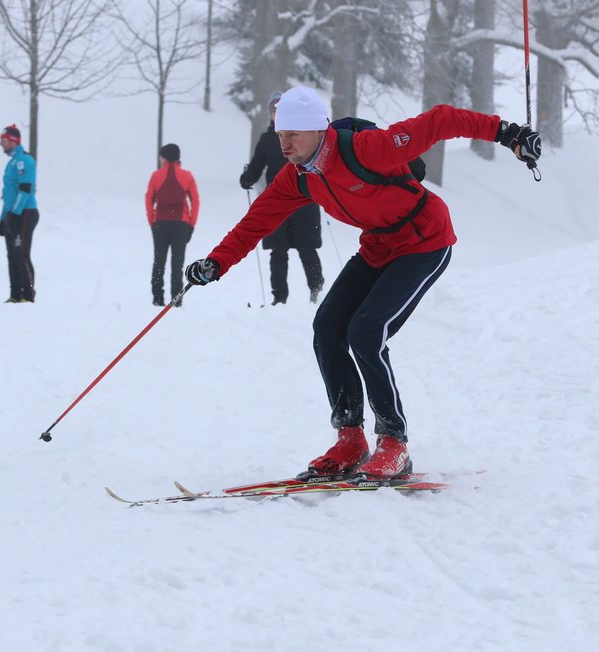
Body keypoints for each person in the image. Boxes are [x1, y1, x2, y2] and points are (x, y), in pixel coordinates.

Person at [185, 87, 541, 478]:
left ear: (319, 130)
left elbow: (441, 120)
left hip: (425, 242)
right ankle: (350, 438)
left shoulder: (368, 149)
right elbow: (257, 222)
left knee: (366, 332)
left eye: (293, 134)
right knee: (326, 327)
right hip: (378, 247)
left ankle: (394, 443)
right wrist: (216, 263)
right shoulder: (299, 178)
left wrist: (508, 133)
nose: (284, 144)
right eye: (280, 134)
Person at [240, 91, 324, 305]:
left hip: (305, 198)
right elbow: (258, 165)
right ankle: (279, 297)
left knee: (307, 248)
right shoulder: (268, 139)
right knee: (278, 250)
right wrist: (247, 177)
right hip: (277, 201)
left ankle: (316, 290)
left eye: (280, 109)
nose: (277, 113)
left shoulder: (302, 134)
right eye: (274, 110)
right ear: (270, 113)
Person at [145, 143, 199, 307]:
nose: (160, 159)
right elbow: (195, 201)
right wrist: (191, 225)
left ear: (165, 157)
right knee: (178, 264)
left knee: (159, 262)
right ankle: (177, 299)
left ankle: (157, 298)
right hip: (180, 225)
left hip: (160, 224)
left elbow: (149, 200)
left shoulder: (156, 176)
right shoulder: (187, 176)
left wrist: (152, 222)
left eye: (161, 156)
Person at [0, 124, 39, 303]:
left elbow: (25, 189)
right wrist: (3, 219)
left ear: (14, 141)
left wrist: (15, 213)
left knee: (21, 254)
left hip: (26, 213)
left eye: (4, 140)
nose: (1, 144)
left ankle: (28, 295)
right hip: (12, 213)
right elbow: (8, 194)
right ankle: (15, 294)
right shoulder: (11, 162)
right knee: (12, 255)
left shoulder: (24, 161)